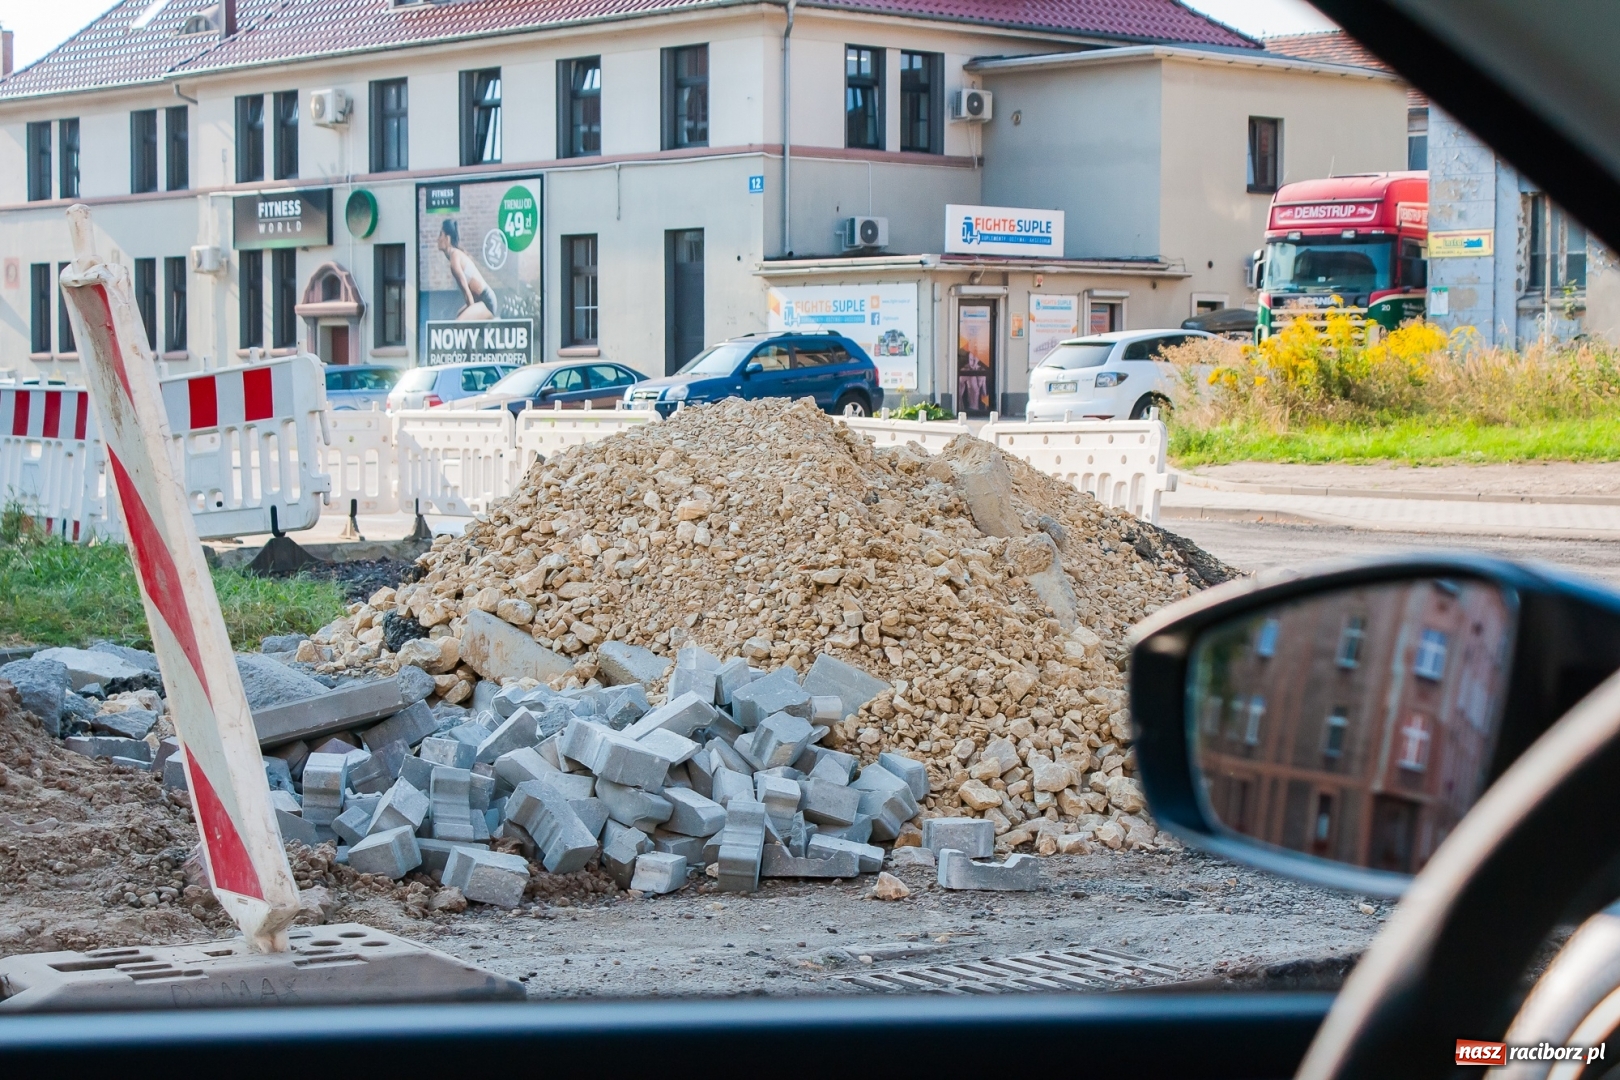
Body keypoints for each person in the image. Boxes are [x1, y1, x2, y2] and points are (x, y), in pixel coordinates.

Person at [438, 219, 496, 320]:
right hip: (481, 300)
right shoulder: (456, 255)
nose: (437, 239)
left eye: (440, 234)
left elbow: (468, 297)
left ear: (447, 238)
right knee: (458, 316)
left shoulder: (454, 260)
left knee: (458, 323)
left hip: (486, 302)